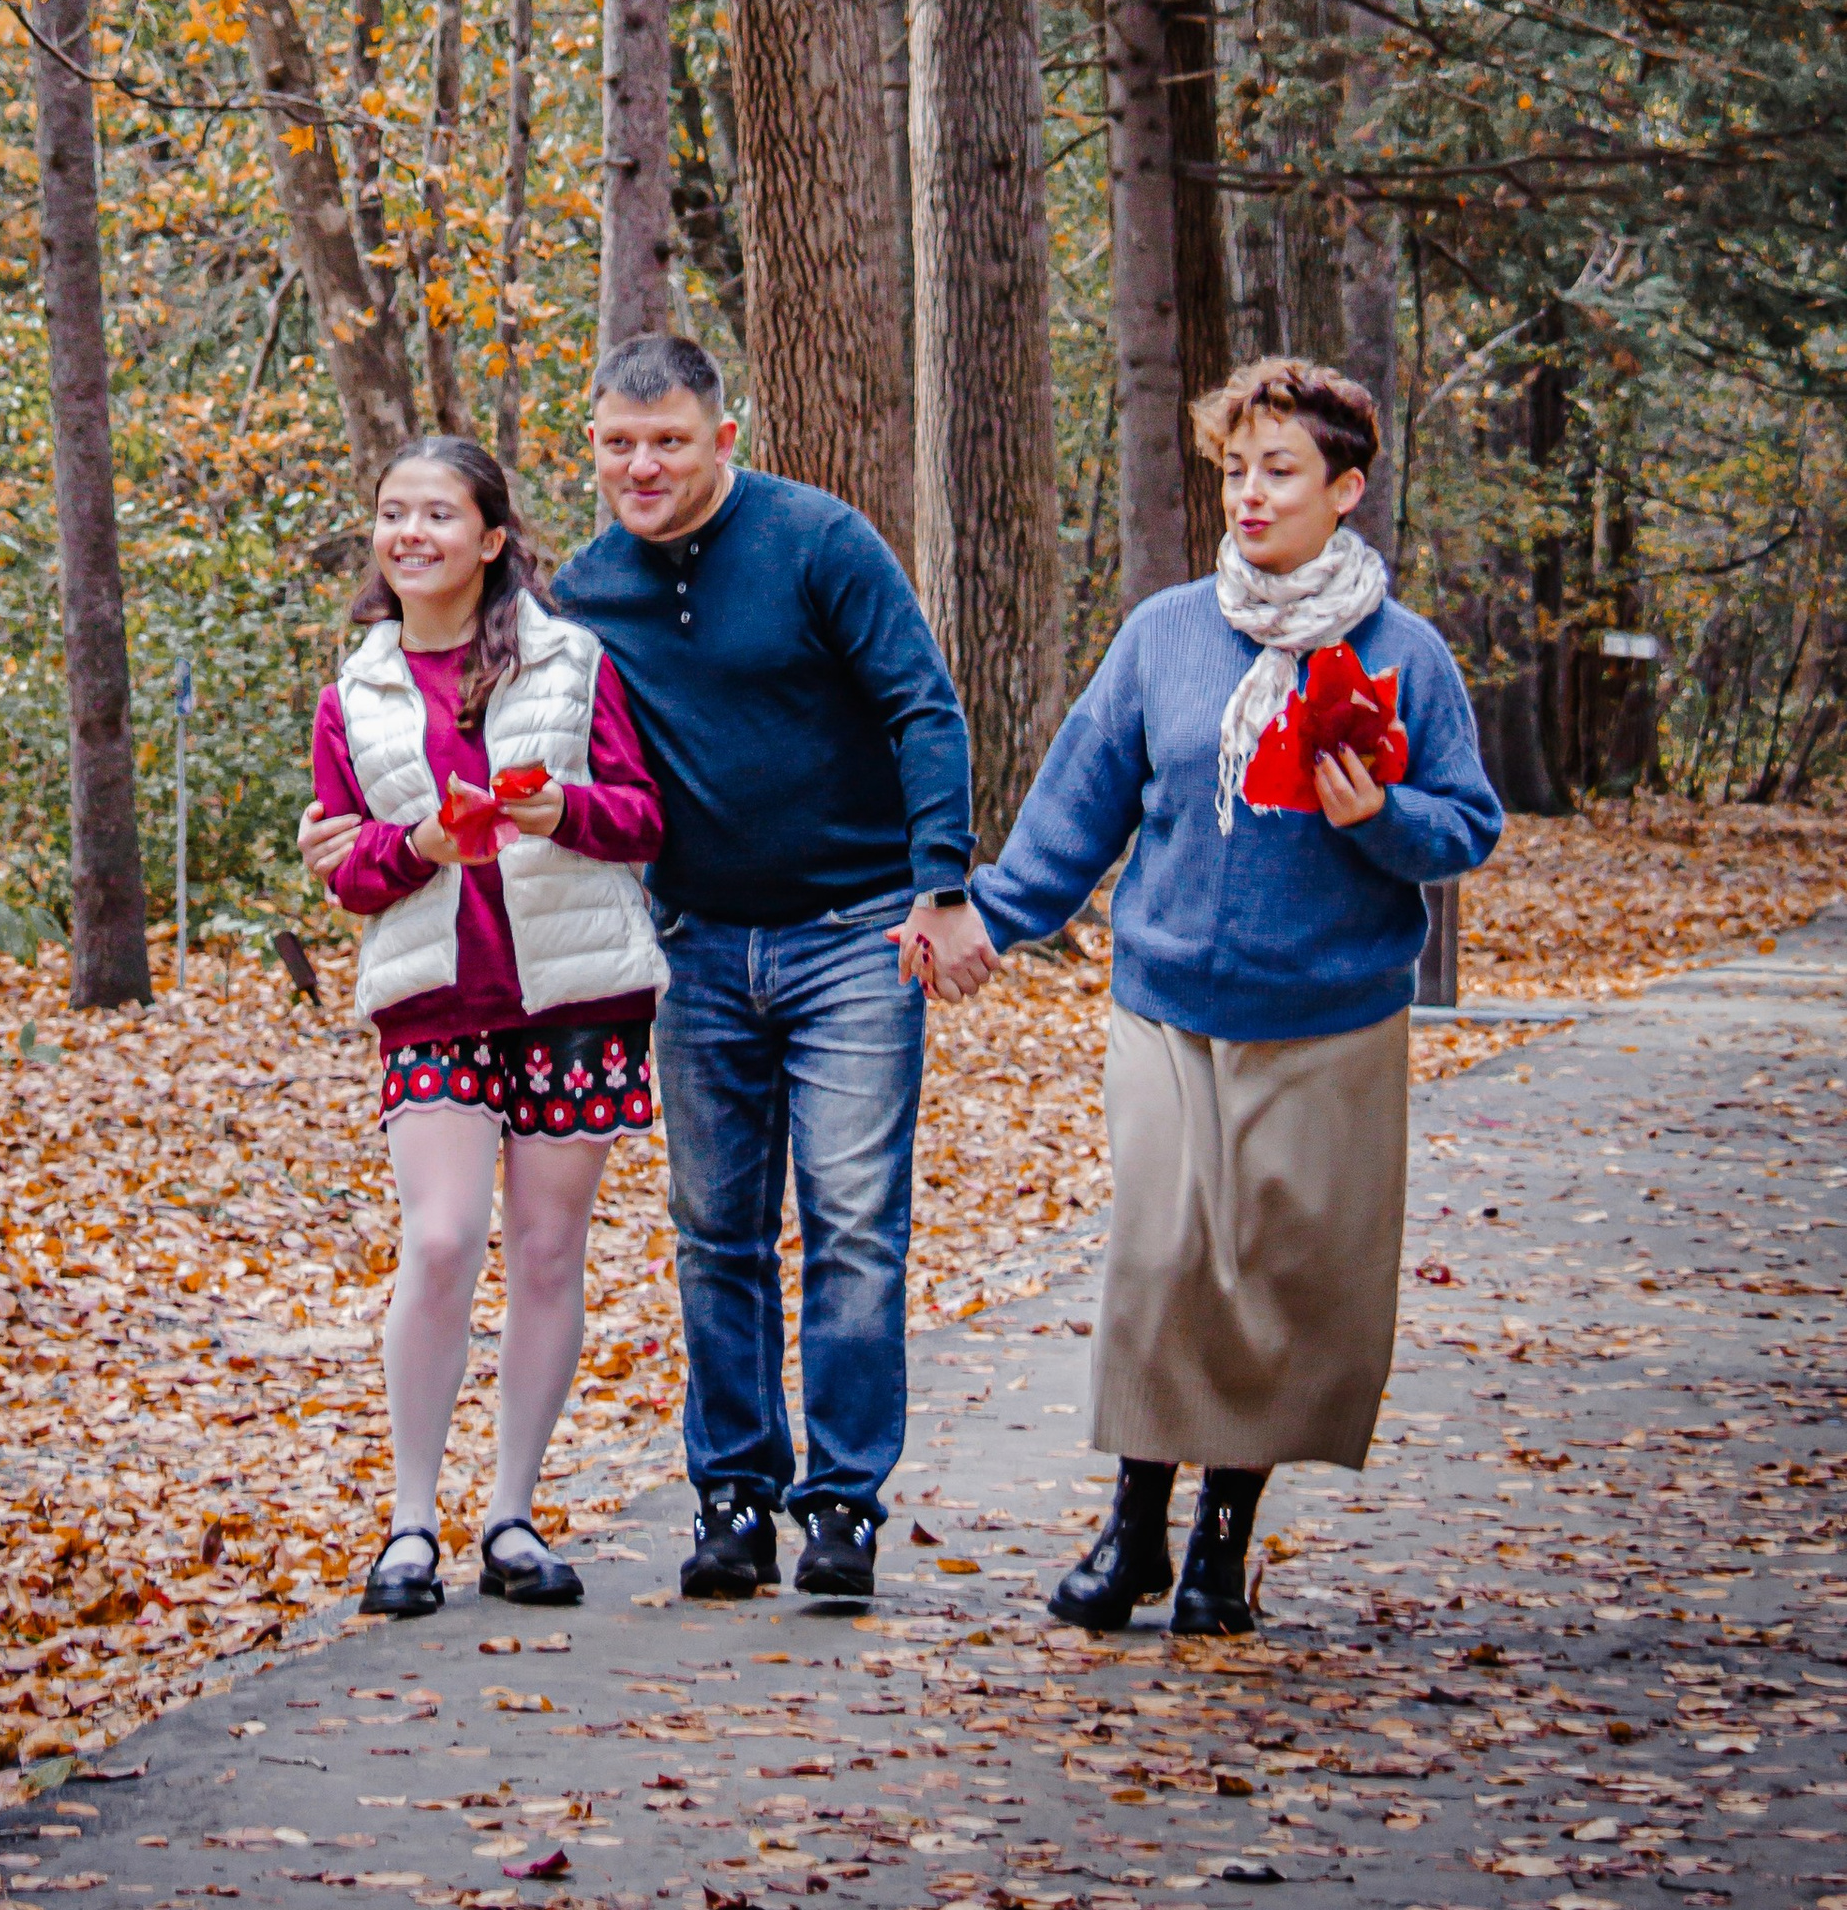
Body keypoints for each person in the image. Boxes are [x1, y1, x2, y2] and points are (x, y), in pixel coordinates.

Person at [971, 354, 1505, 1637]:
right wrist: (988, 921)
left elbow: (1466, 829)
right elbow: (1079, 802)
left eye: (1279, 472)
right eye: (1233, 472)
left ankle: (1221, 1545)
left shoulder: (1405, 654)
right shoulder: (1164, 633)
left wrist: (1381, 817)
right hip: (1166, 999)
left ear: (1346, 491)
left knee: (1275, 1280)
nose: (1249, 497)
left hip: (1329, 1015)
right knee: (1160, 1259)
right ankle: (1132, 1530)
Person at [548, 333, 993, 1604]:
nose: (642, 465)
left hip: (854, 936)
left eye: (669, 440)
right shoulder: (586, 594)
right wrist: (362, 809)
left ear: (723, 440)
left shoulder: (819, 543)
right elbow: (510, 729)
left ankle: (841, 1507)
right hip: (694, 947)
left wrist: (940, 883)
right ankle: (733, 1495)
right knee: (716, 1233)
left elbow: (921, 705)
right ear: (594, 444)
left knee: (853, 1224)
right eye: (619, 443)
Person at [304, 434, 667, 1621]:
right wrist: (410, 845)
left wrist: (559, 808)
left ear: (492, 538)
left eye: (439, 515)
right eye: (393, 513)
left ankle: (511, 1513)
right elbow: (345, 867)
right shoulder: (354, 693)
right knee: (446, 1239)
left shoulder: (570, 661)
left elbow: (639, 818)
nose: (412, 534)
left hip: (573, 1000)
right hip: (434, 1003)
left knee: (550, 1255)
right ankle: (411, 1523)